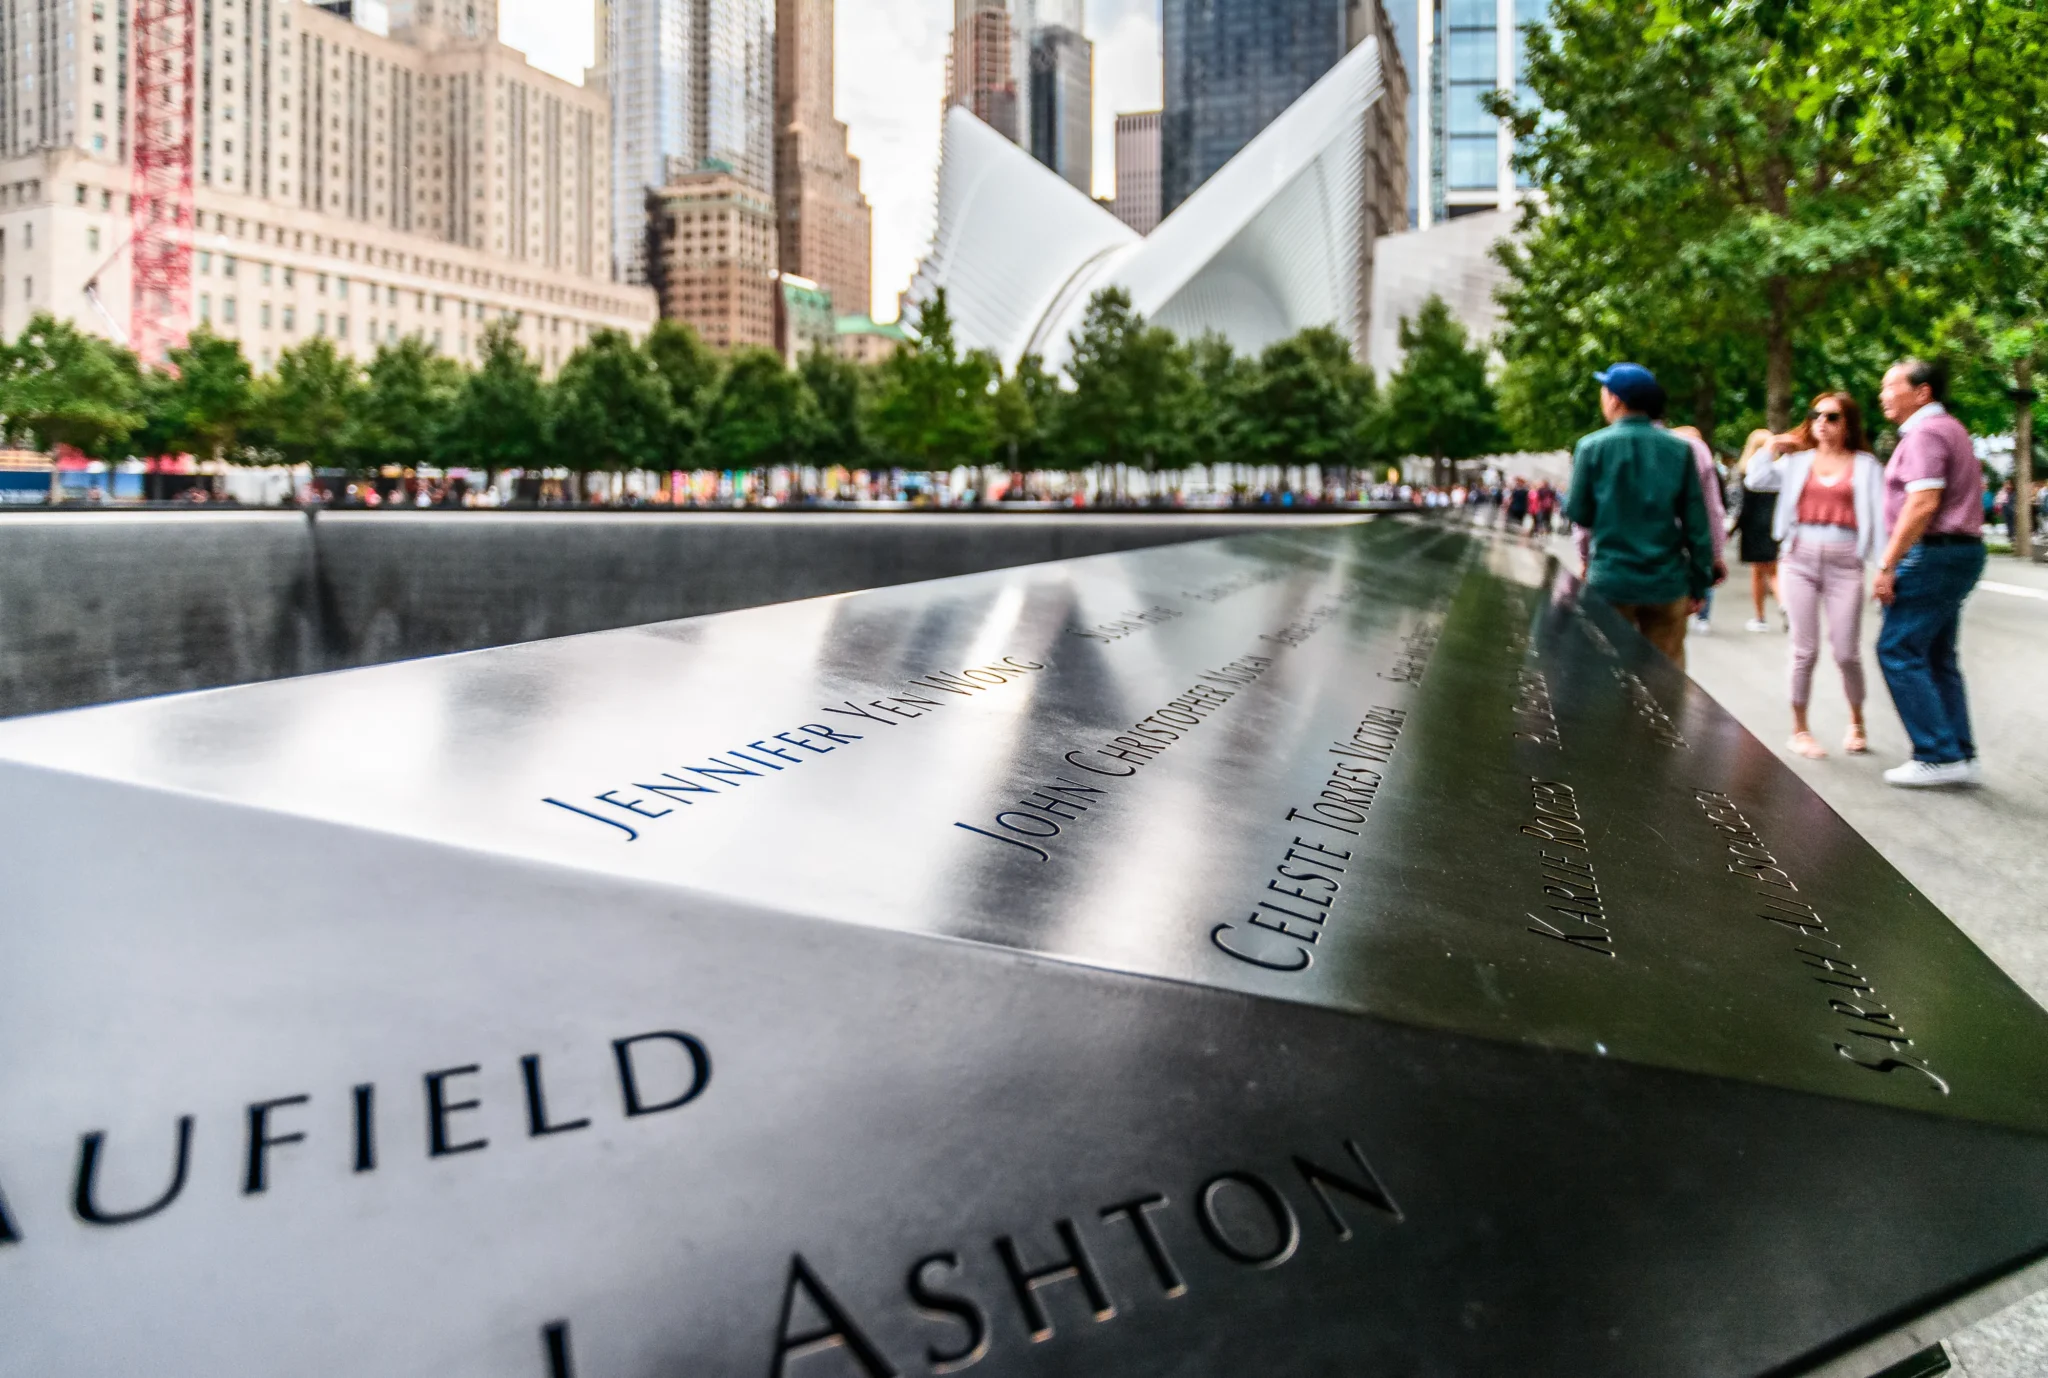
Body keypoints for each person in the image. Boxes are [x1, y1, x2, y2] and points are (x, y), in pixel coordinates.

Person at [1751, 393, 1887, 759]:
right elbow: (1756, 478)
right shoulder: (1797, 462)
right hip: (1800, 558)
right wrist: (1772, 445)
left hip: (1846, 562)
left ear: (1848, 424)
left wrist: (1884, 568)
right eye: (1816, 416)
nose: (1822, 423)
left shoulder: (1866, 465)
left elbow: (1879, 520)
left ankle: (1856, 720)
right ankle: (1799, 729)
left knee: (1846, 652)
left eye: (1832, 417)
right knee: (1803, 649)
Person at [1873, 359, 1986, 788]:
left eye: (1890, 385)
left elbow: (1922, 502)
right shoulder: (1948, 428)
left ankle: (1937, 753)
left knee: (1898, 649)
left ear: (1922, 392)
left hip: (1932, 554)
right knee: (1936, 654)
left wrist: (1887, 564)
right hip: (1953, 554)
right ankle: (1958, 752)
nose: (1883, 394)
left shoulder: (1926, 432)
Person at [1564, 363, 1716, 667]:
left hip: (1611, 579)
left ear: (1615, 400)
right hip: (1667, 583)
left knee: (1603, 672)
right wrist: (1700, 584)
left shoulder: (1591, 447)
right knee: (1666, 676)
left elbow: (1579, 512)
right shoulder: (1680, 449)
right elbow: (1697, 525)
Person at [1735, 429, 1783, 630]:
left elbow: (1742, 504)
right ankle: (1779, 607)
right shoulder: (1779, 470)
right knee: (1772, 569)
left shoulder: (1747, 470)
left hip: (1754, 523)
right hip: (1775, 520)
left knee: (1761, 571)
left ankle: (1765, 614)